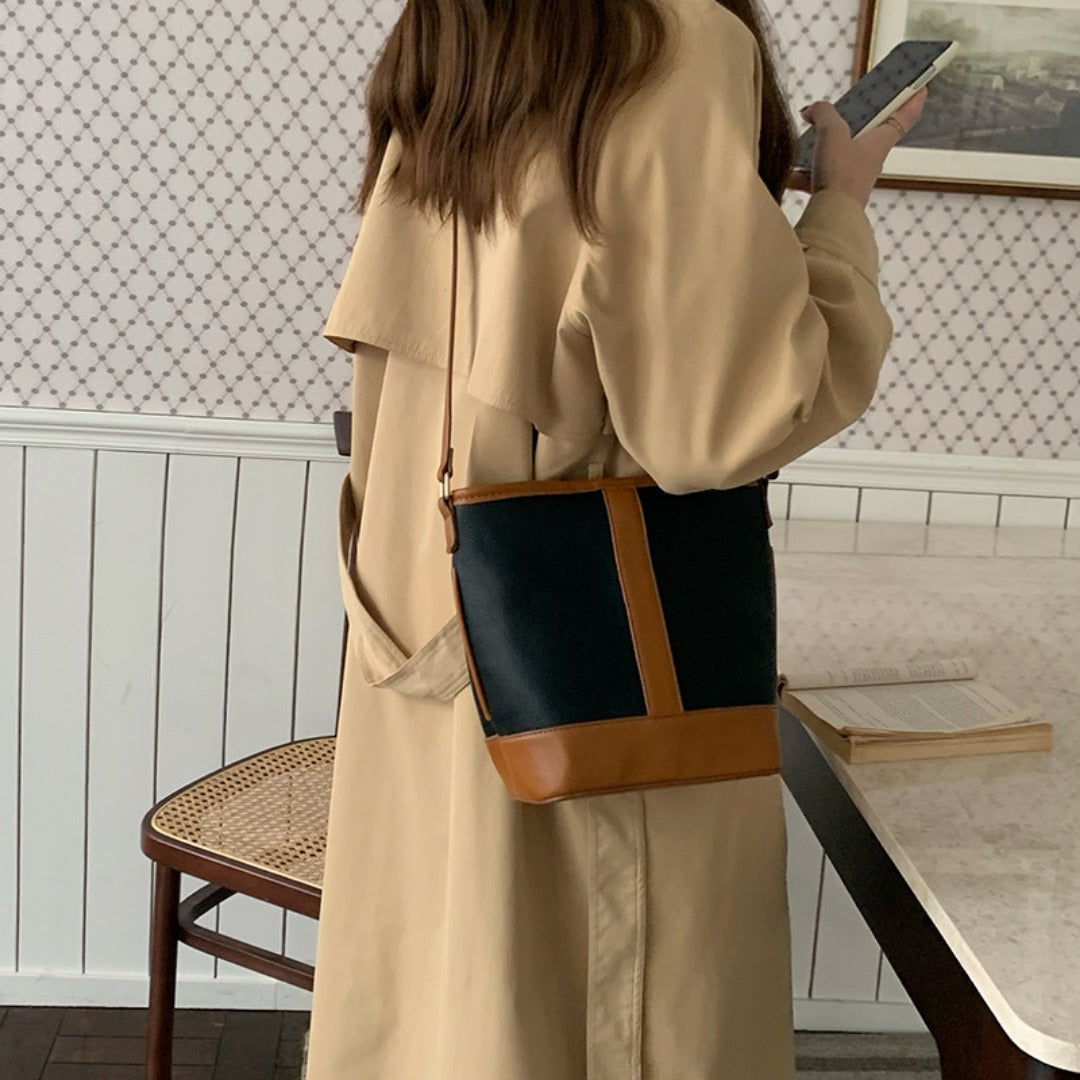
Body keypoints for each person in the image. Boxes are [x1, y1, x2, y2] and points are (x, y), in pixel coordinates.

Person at [305, 0, 927, 1075]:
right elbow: (724, 418)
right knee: (610, 1007)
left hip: (429, 615)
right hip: (589, 654)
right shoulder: (670, 41)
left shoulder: (463, 29)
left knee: (456, 1002)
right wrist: (840, 207)